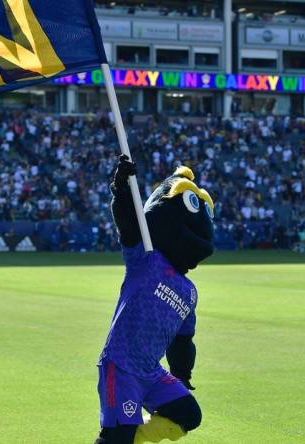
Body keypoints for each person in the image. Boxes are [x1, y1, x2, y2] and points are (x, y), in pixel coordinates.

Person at [95, 155, 211, 444]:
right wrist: (121, 188)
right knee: (114, 439)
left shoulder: (189, 291)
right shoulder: (146, 259)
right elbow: (129, 226)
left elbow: (183, 340)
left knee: (188, 414)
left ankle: (135, 436)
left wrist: (182, 376)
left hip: (151, 372)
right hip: (122, 366)